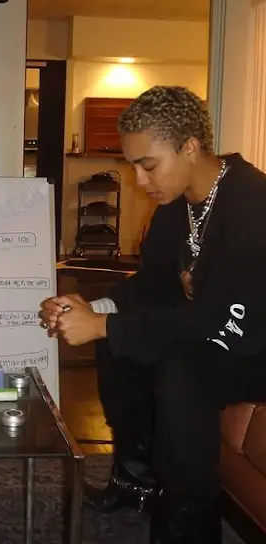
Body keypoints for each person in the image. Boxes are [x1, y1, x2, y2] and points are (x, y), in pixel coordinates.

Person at [39, 86, 266, 544]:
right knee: (119, 346)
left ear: (190, 147)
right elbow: (151, 286)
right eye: (133, 167)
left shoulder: (253, 204)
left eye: (148, 165)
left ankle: (187, 528)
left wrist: (105, 324)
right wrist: (91, 309)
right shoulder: (175, 207)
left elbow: (222, 321)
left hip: (252, 343)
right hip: (213, 333)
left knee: (183, 369)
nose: (140, 181)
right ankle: (134, 479)